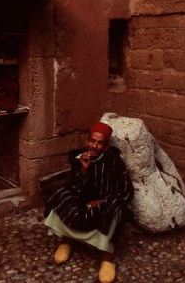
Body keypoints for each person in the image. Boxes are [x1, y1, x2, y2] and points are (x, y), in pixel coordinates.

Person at [44, 121, 133, 283]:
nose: (94, 146)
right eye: (92, 141)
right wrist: (84, 170)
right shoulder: (79, 159)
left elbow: (126, 191)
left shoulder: (115, 163)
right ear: (87, 141)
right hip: (83, 200)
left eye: (100, 143)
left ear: (105, 147)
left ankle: (107, 258)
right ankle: (66, 240)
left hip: (105, 202)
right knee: (60, 195)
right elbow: (73, 186)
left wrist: (102, 201)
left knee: (114, 210)